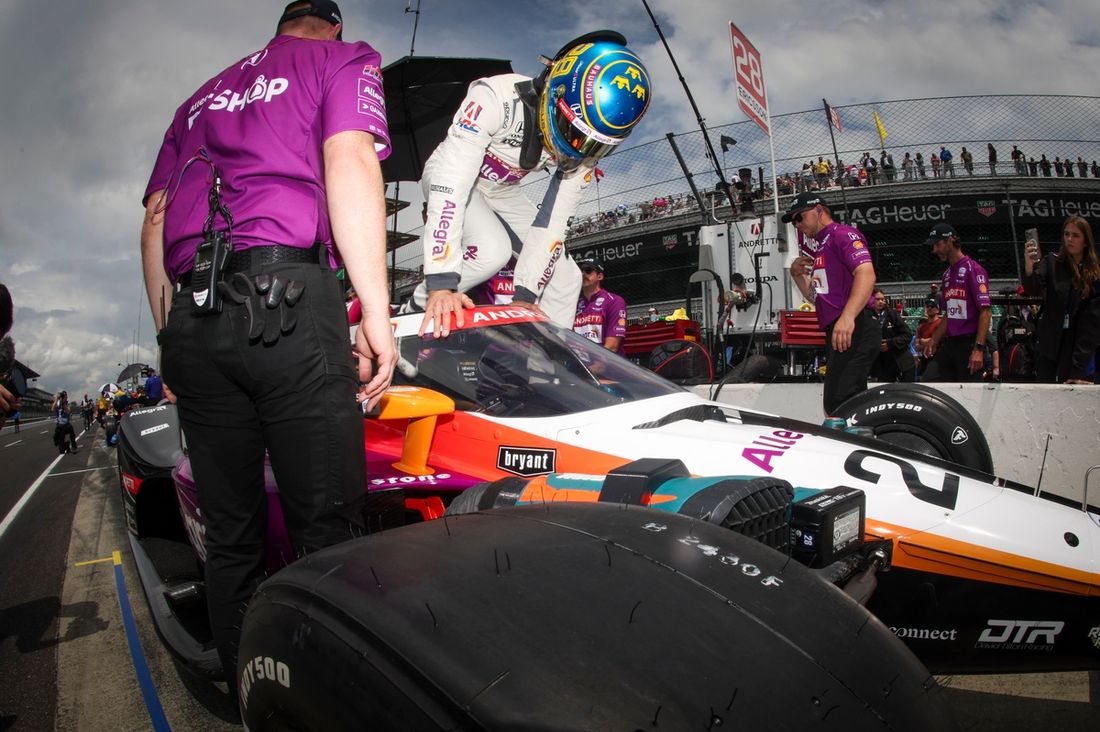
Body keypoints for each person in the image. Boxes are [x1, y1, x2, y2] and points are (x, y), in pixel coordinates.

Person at [140, 0, 397, 685]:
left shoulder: (197, 99)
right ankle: (330, 699)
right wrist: (374, 309)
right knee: (329, 530)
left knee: (230, 540)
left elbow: (156, 221)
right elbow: (349, 157)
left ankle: (253, 693)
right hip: (287, 299)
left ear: (281, 24)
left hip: (192, 314)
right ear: (333, 24)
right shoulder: (342, 57)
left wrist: (169, 337)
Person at [407, 32, 651, 336]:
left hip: (502, 190)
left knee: (566, 278)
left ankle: (547, 360)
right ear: (554, 89)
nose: (577, 148)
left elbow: (554, 221)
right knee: (491, 251)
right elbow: (453, 180)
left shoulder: (582, 152)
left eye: (594, 144)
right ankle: (413, 309)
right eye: (573, 131)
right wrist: (441, 284)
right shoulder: (495, 97)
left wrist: (525, 294)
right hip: (452, 173)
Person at [785, 192, 878, 414]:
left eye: (799, 217)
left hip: (856, 326)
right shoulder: (821, 247)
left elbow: (866, 274)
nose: (797, 224)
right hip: (840, 329)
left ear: (819, 210)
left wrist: (848, 317)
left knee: (838, 402)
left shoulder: (842, 234)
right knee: (848, 402)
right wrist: (797, 275)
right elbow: (818, 298)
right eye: (793, 221)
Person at [1021, 216, 1100, 384]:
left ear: (1086, 241)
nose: (1069, 239)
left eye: (1075, 235)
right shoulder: (1052, 262)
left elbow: (1092, 324)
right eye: (1066, 234)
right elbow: (1033, 289)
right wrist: (1029, 268)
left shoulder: (1094, 273)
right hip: (1050, 345)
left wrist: (1078, 368)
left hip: (1079, 348)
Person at [922, 223, 992, 381]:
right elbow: (949, 314)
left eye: (937, 244)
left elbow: (986, 312)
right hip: (950, 344)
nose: (934, 250)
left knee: (970, 391)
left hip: (970, 343)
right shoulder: (946, 275)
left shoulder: (973, 269)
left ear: (950, 241)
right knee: (928, 379)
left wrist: (978, 349)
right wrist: (934, 339)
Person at [572, 257, 627, 355]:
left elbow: (612, 346)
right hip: (579, 361)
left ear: (600, 276)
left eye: (588, 270)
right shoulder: (573, 304)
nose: (583, 274)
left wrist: (597, 364)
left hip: (607, 362)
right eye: (581, 270)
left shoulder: (614, 301)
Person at [869, 289, 916, 382]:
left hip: (902, 362)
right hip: (882, 366)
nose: (881, 302)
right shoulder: (867, 316)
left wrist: (890, 343)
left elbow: (907, 335)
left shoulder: (892, 314)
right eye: (877, 299)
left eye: (882, 299)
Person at [914, 298, 942, 377]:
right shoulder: (921, 327)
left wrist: (922, 341)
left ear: (937, 310)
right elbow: (917, 347)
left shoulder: (941, 323)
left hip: (937, 358)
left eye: (932, 306)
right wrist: (926, 342)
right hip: (924, 359)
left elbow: (938, 341)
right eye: (927, 306)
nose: (929, 308)